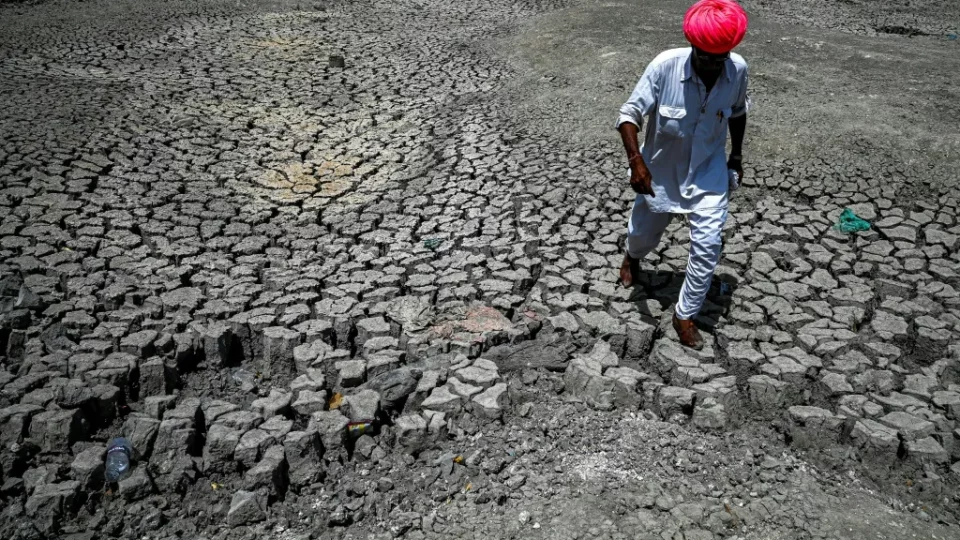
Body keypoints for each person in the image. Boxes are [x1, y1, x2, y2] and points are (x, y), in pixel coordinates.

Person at [616, 0, 750, 350]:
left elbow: (737, 113)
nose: (710, 64)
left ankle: (684, 314)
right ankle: (631, 256)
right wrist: (636, 161)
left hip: (708, 174)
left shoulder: (737, 70)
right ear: (692, 44)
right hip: (659, 172)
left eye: (718, 58)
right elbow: (630, 114)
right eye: (703, 55)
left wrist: (735, 156)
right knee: (643, 236)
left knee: (707, 246)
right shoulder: (664, 66)